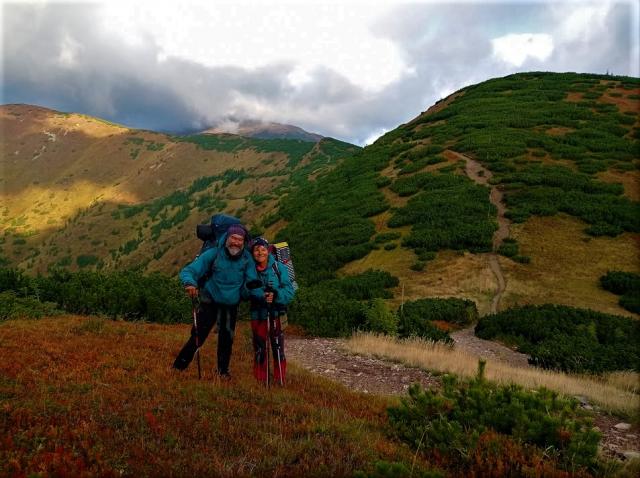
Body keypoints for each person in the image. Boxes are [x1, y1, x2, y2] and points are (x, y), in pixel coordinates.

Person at [173, 224, 258, 378]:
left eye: (240, 239)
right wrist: (190, 283)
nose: (236, 242)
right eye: (233, 238)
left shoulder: (247, 259)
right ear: (227, 238)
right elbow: (189, 270)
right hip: (209, 301)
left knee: (227, 339)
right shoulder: (214, 253)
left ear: (244, 242)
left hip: (231, 305)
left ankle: (222, 372)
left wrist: (250, 290)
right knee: (198, 336)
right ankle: (179, 367)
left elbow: (251, 280)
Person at [249, 237, 295, 385]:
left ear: (268, 251)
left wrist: (275, 296)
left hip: (276, 313)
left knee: (277, 347)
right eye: (256, 249)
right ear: (252, 252)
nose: (260, 252)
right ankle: (260, 380)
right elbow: (246, 289)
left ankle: (279, 378)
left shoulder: (278, 267)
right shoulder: (250, 269)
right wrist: (262, 295)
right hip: (258, 314)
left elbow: (289, 290)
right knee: (260, 348)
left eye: (263, 249)